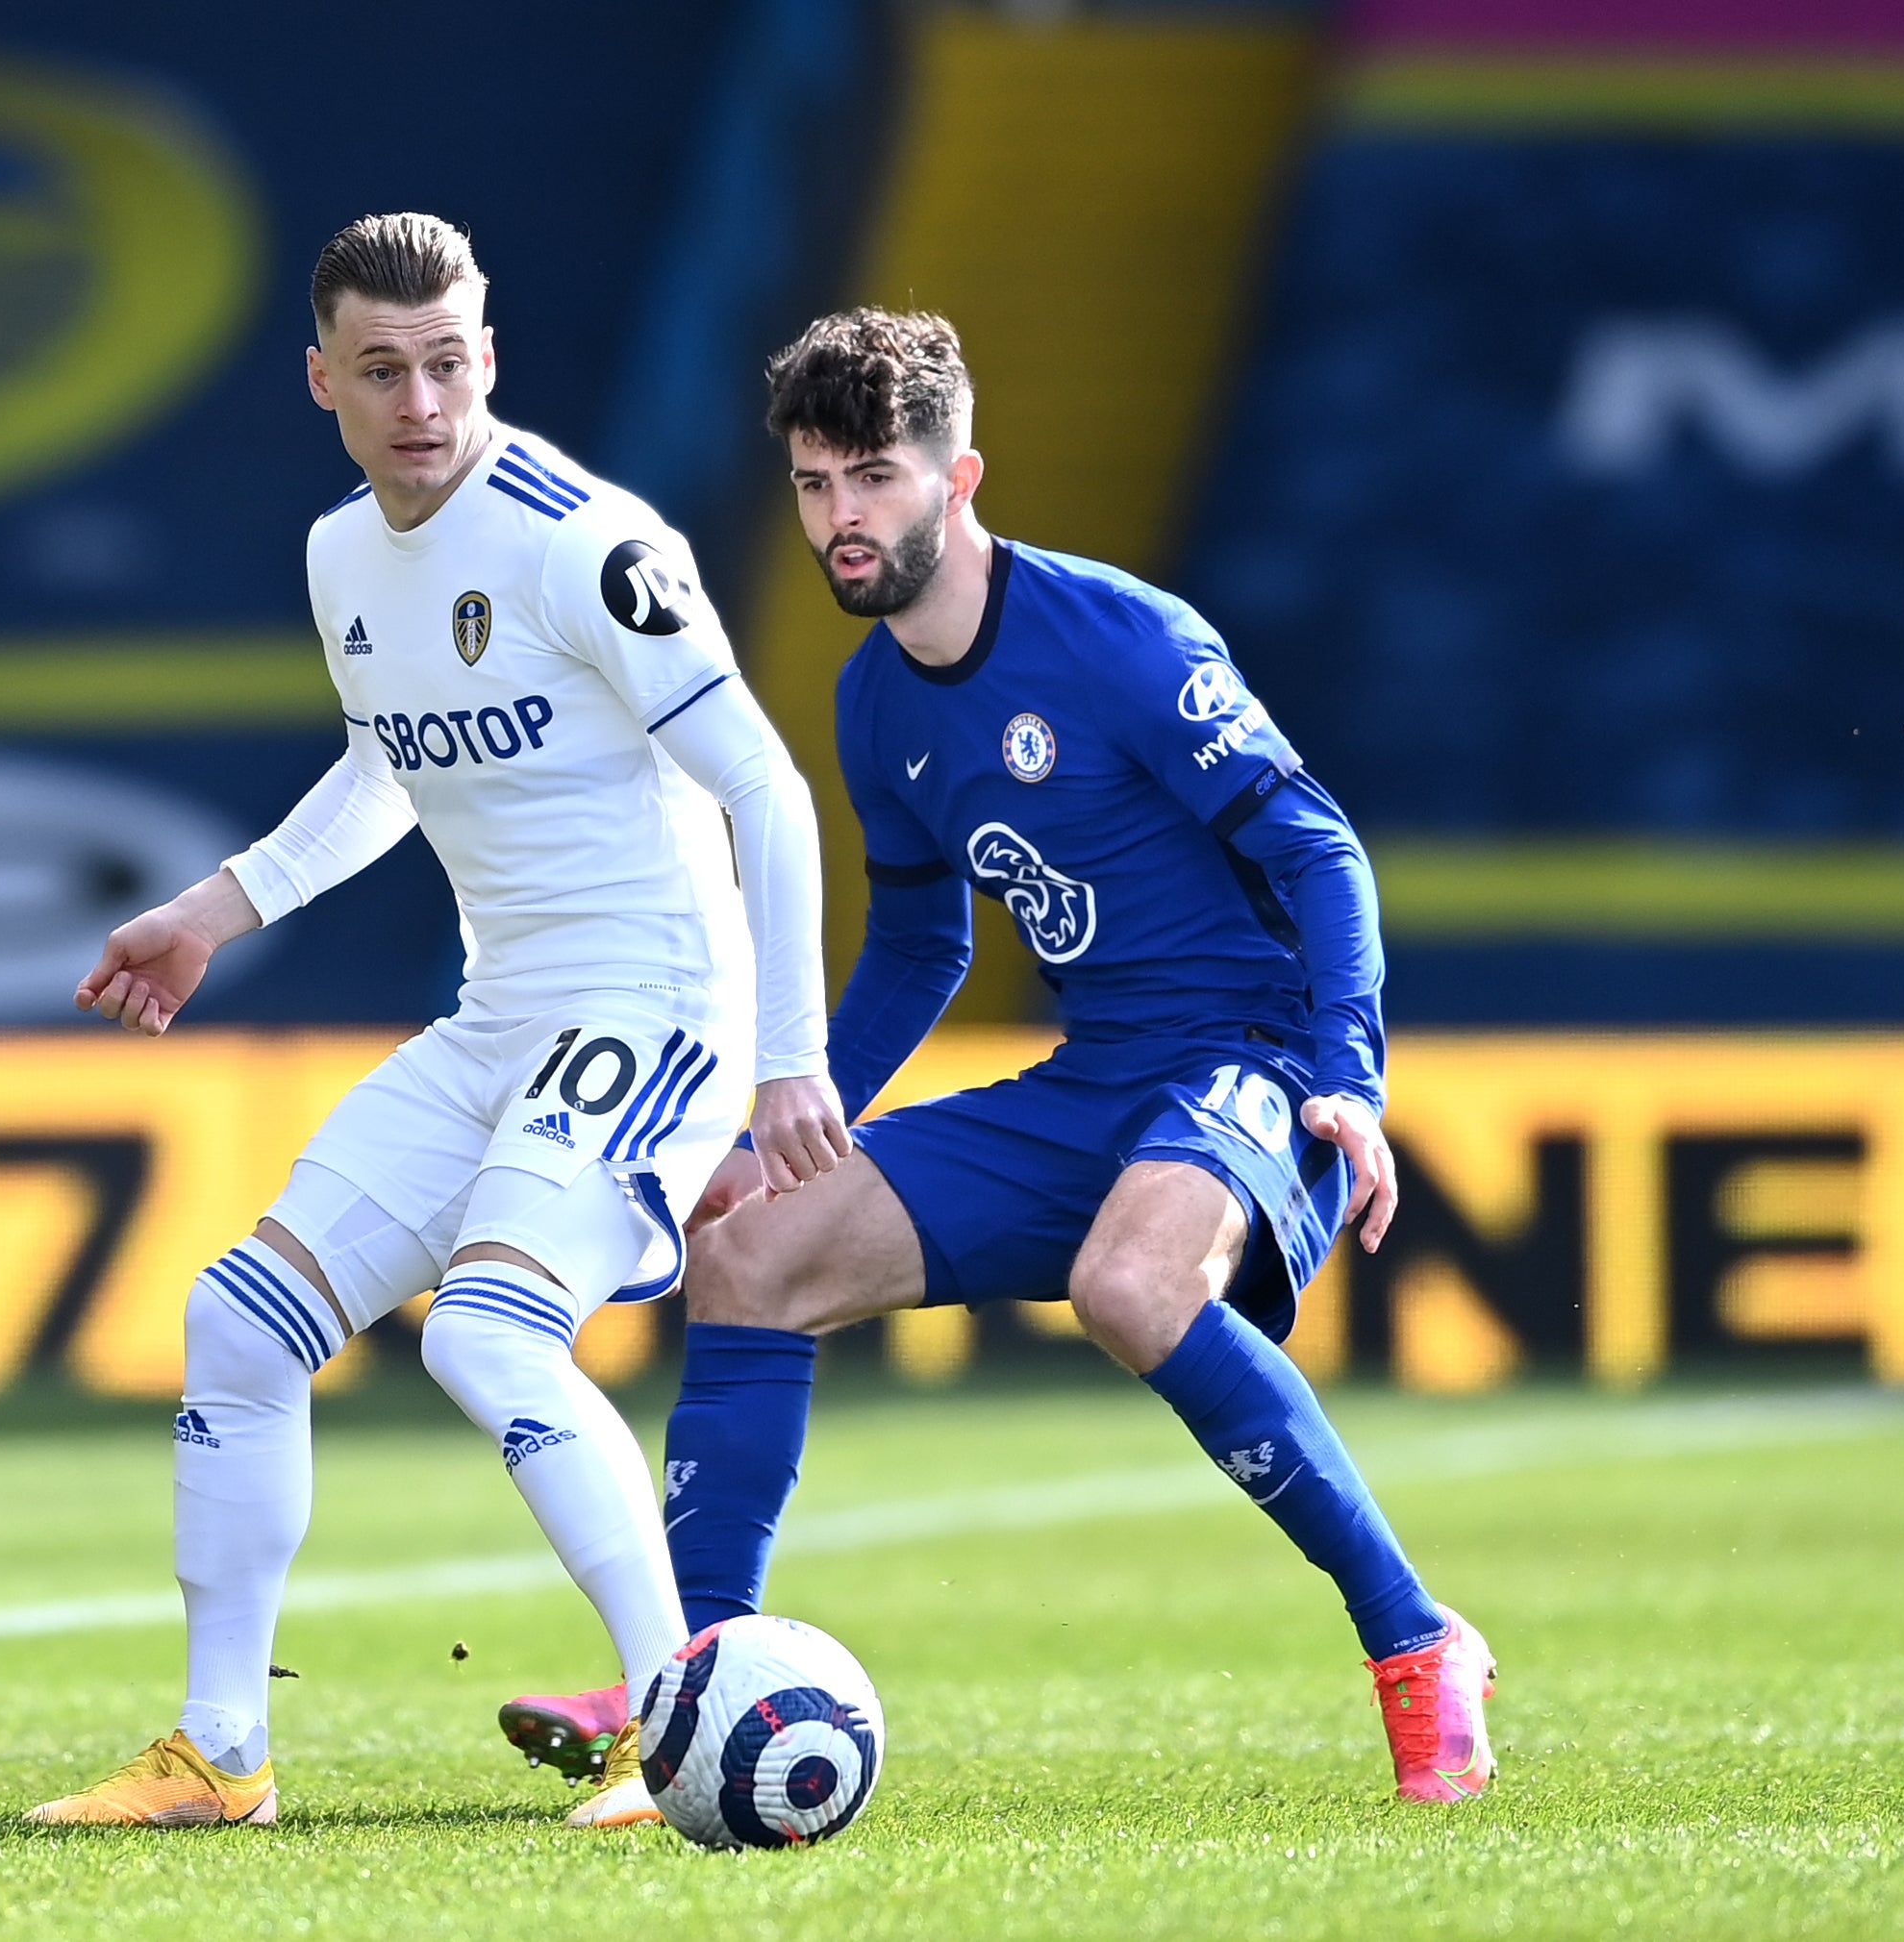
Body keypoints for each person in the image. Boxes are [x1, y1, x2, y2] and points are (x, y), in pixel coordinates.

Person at [497, 308, 1496, 1805]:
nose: (843, 518)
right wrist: (788, 1111)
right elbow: (922, 945)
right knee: (751, 1259)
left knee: (1134, 1284)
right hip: (1096, 1080)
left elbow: (1320, 850)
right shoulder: (873, 699)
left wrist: (1349, 1068)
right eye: (816, 484)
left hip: (1251, 1058)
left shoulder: (1124, 641)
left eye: (876, 480)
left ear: (960, 478)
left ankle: (1420, 1649)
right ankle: (684, 1680)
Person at [27, 213, 845, 1833]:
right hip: (504, 1015)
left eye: (451, 361)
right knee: (241, 1328)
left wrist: (786, 1058)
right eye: (385, 369)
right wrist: (214, 909)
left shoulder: (584, 544)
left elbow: (764, 781)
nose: (423, 400)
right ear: (323, 378)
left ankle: (668, 1724)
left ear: (491, 356)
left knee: (485, 1332)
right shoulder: (345, 555)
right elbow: (395, 763)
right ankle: (221, 1754)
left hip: (654, 999)